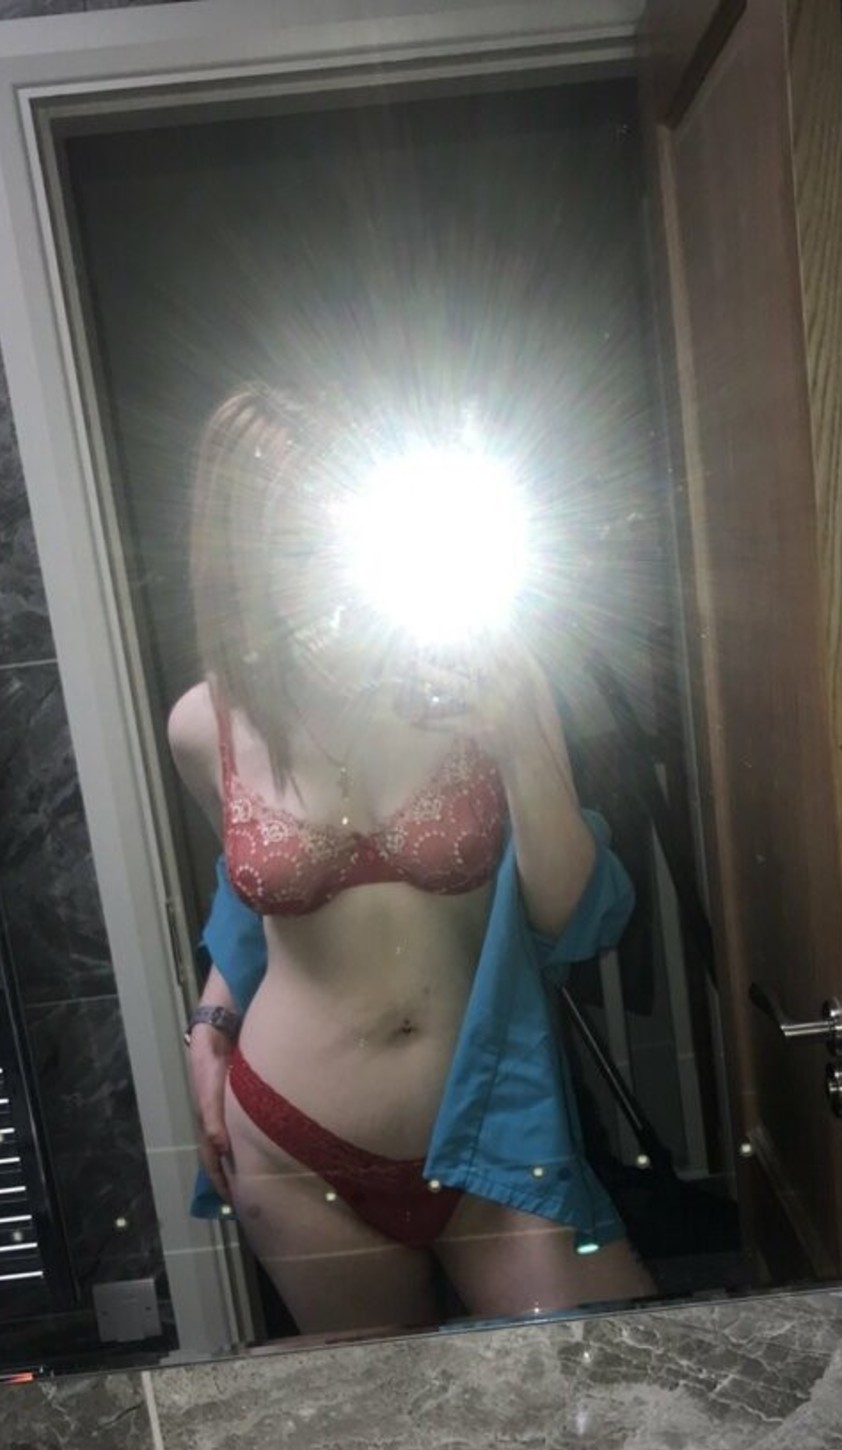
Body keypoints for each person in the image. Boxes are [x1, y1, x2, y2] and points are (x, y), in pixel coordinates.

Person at [170, 384, 656, 1335]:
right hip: (295, 1151)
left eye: (340, 531)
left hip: (490, 1137)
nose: (328, 574)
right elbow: (255, 895)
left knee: (612, 1374)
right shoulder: (203, 725)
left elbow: (573, 912)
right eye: (292, 548)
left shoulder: (491, 677)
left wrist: (517, 738)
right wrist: (212, 1020)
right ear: (239, 563)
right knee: (392, 1424)